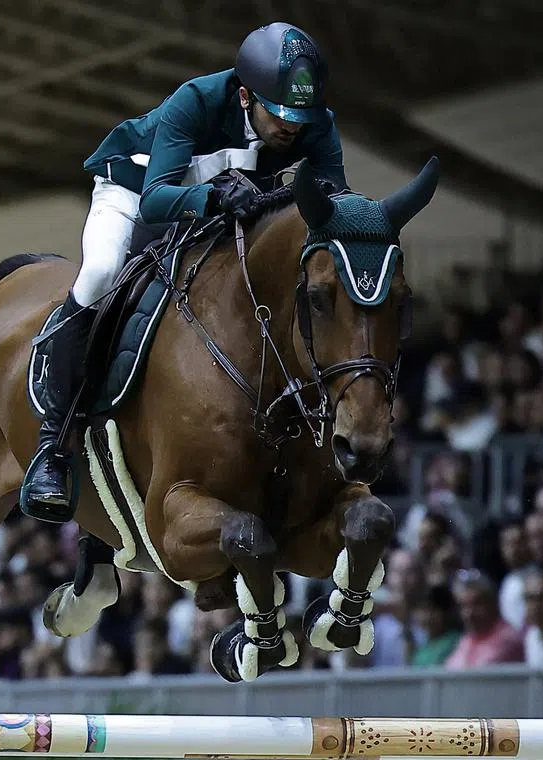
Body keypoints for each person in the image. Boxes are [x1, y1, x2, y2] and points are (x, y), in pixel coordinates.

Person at [22, 22, 348, 523]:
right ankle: (53, 445)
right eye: (279, 114)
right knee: (101, 274)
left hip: (214, 208)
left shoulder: (314, 124)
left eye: (299, 118)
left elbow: (332, 203)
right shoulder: (194, 101)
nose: (291, 129)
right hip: (136, 193)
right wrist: (214, 195)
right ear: (245, 96)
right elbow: (156, 202)